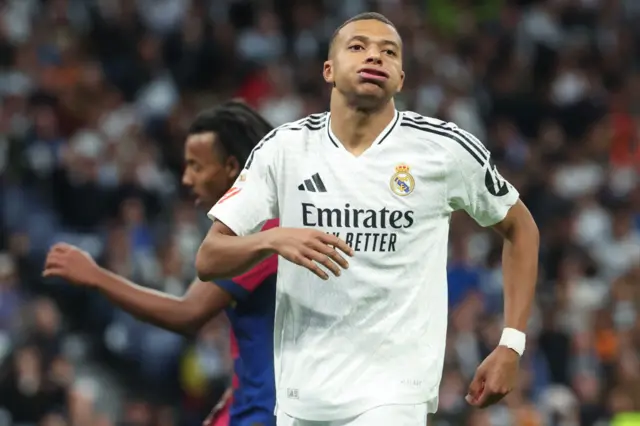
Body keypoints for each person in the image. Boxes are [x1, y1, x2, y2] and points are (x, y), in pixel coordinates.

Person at [195, 12, 540, 426]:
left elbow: (521, 228)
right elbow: (209, 258)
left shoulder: (443, 150)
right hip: (300, 394)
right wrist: (273, 240)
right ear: (328, 69)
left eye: (389, 52)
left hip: (395, 392)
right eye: (357, 47)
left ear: (401, 78)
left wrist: (511, 343)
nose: (374, 56)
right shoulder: (283, 150)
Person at [42, 101, 278, 426]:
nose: (186, 178)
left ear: (231, 167)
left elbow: (187, 313)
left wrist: (96, 277)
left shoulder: (260, 229)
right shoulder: (277, 220)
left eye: (197, 166)